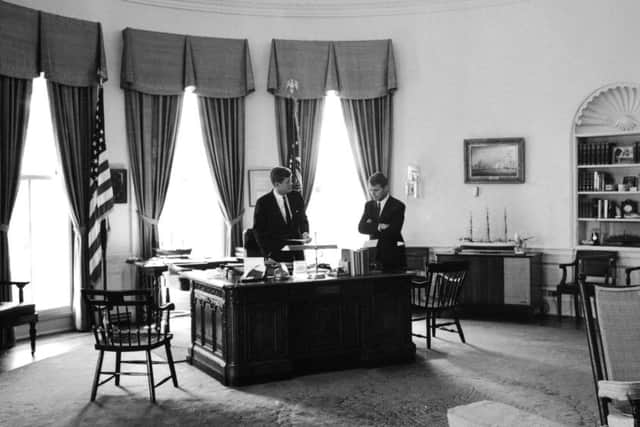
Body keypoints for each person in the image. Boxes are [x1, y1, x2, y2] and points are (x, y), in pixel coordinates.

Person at [253, 167, 311, 262]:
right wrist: (268, 255)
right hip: (276, 256)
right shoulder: (263, 203)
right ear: (277, 184)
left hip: (297, 255)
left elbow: (302, 219)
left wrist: (305, 233)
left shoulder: (296, 197)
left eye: (291, 180)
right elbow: (259, 232)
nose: (291, 184)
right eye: (287, 182)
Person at [358, 172, 406, 271]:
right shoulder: (369, 205)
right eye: (370, 190)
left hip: (393, 257)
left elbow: (394, 231)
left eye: (376, 190)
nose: (372, 193)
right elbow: (361, 227)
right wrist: (378, 226)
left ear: (386, 188)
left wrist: (371, 226)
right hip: (374, 257)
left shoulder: (398, 206)